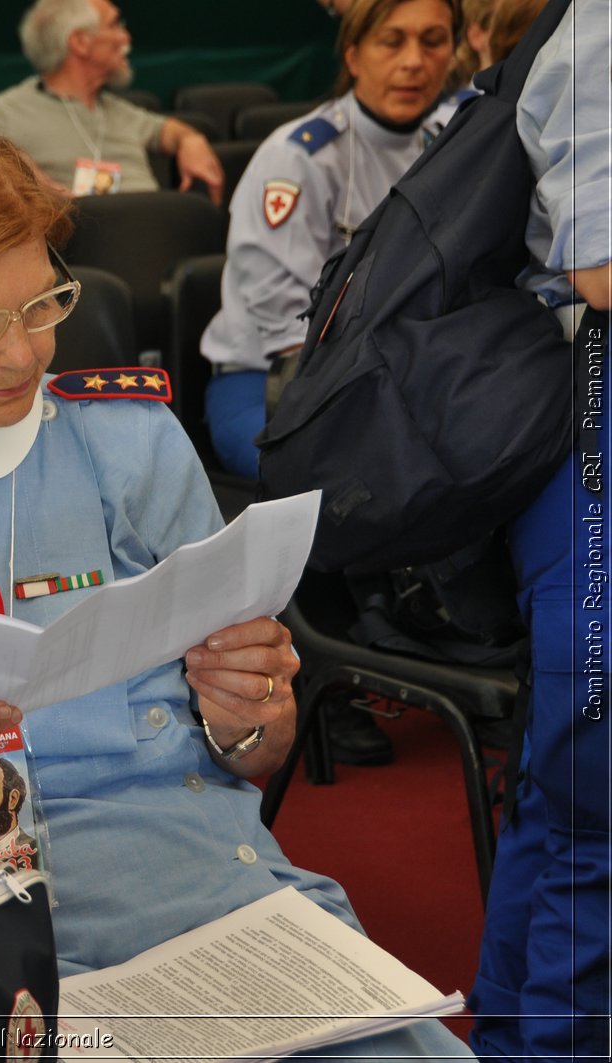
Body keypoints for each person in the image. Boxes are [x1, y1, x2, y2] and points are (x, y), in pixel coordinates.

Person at [0, 120, 473, 1060]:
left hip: (177, 859)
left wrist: (249, 706)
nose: (25, 355)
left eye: (43, 305)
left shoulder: (128, 442)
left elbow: (255, 754)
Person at [470, 2, 611, 1058]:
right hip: (586, 411)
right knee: (592, 796)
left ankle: (512, 1034)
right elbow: (601, 268)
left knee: (571, 795)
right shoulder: (596, 28)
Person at [200, 0, 457, 483]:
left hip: (405, 370)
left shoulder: (450, 143)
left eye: (433, 40)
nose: (414, 61)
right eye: (392, 40)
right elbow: (284, 323)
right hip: (273, 378)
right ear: (354, 56)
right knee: (361, 479)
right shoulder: (299, 158)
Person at [0, 0, 224, 202]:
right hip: (84, 256)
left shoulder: (118, 110)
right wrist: (27, 174)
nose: (126, 37)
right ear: (80, 43)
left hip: (157, 238)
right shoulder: (11, 110)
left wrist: (190, 140)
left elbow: (167, 131)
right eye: (115, 25)